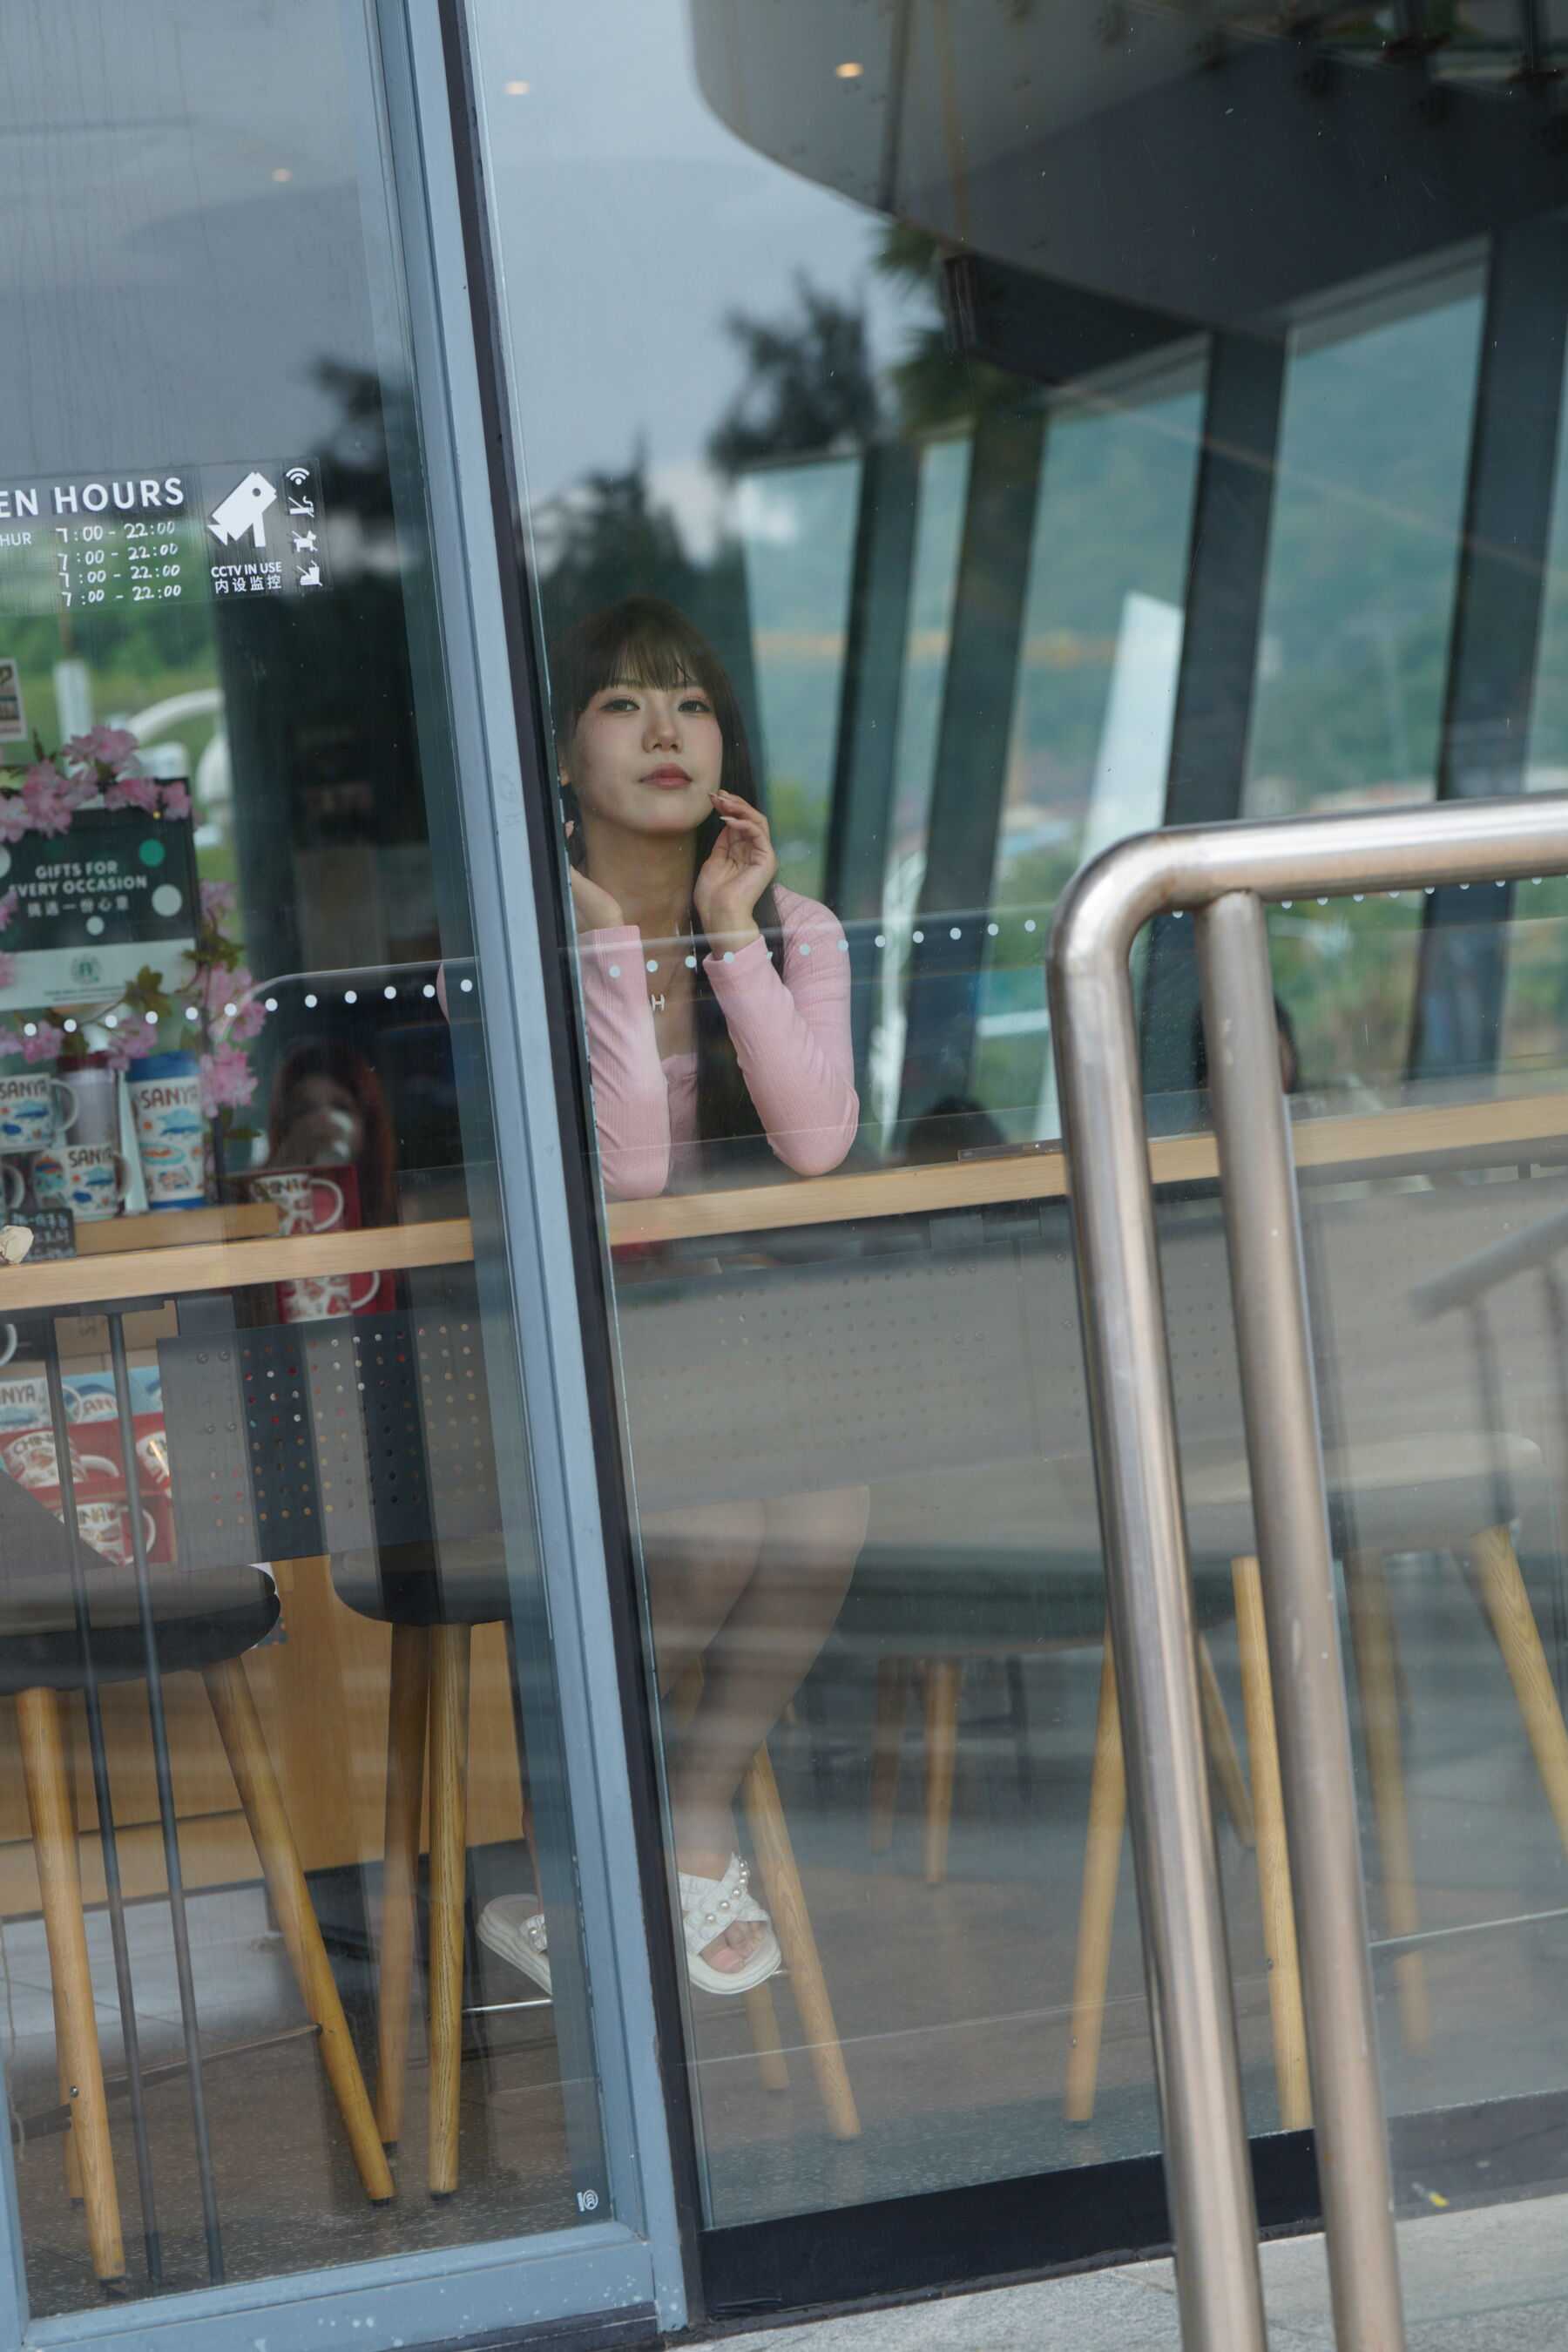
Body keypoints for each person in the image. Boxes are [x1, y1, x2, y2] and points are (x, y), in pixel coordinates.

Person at [477, 596, 867, 1999]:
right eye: (623, 704)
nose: (665, 732)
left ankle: (683, 1825)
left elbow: (815, 1141)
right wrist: (604, 948)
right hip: (563, 1348)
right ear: (559, 755)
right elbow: (631, 1172)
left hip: (723, 1342)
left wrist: (726, 932)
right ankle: (593, 1845)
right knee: (712, 1531)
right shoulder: (517, 934)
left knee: (826, 1515)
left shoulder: (793, 926)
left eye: (691, 704)